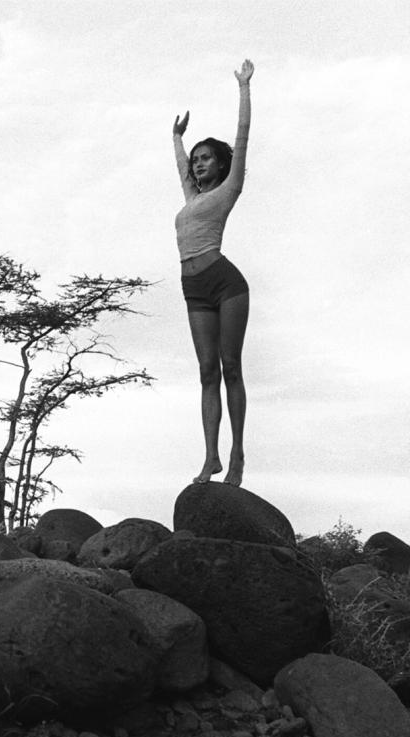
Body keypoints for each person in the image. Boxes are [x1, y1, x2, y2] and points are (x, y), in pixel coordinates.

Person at [172, 59, 254, 486]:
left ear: (222, 165)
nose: (199, 164)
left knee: (230, 366)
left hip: (225, 284)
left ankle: (237, 456)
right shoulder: (191, 200)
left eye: (207, 159)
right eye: (196, 160)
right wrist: (176, 139)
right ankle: (211, 458)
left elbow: (242, 138)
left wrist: (243, 87)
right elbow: (182, 169)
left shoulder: (228, 189)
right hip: (194, 289)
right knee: (207, 371)